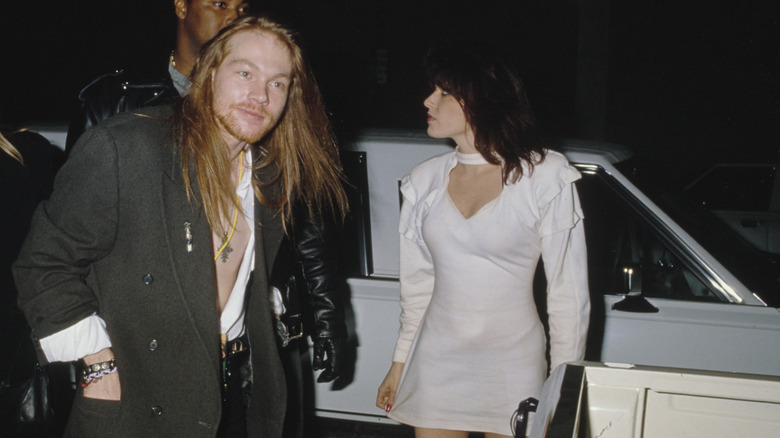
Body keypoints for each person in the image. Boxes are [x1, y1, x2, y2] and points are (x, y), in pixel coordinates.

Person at [14, 15, 348, 438]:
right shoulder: (125, 148)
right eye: (245, 72)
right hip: (139, 397)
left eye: (278, 83)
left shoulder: (270, 176)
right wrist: (98, 362)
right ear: (209, 76)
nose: (260, 94)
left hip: (236, 389)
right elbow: (42, 264)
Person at [375, 42, 590, 438]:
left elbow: (568, 296)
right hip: (437, 362)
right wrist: (399, 363)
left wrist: (565, 385)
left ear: (481, 98)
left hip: (513, 364)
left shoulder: (546, 175)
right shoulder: (423, 181)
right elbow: (417, 288)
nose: (428, 99)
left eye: (443, 91)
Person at [65, 0, 251, 153]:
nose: (235, 19)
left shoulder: (254, 101)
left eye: (243, 9)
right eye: (220, 4)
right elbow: (79, 191)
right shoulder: (113, 99)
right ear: (182, 7)